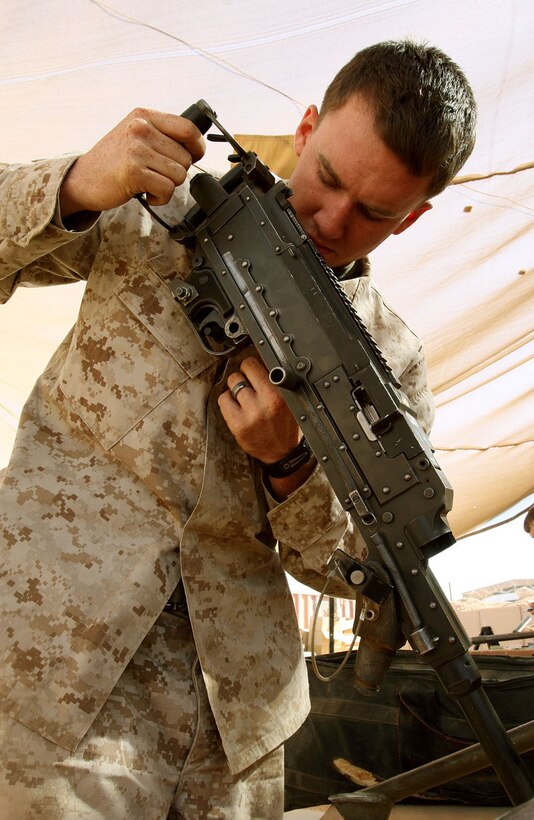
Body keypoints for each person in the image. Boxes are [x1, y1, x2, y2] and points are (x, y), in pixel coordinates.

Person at [0, 40, 476, 818]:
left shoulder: (389, 362)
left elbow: (375, 567)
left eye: (376, 213)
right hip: (51, 670)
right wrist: (77, 184)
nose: (332, 218)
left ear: (416, 216)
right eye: (327, 178)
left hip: (232, 726)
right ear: (307, 125)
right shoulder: (159, 202)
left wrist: (288, 464)